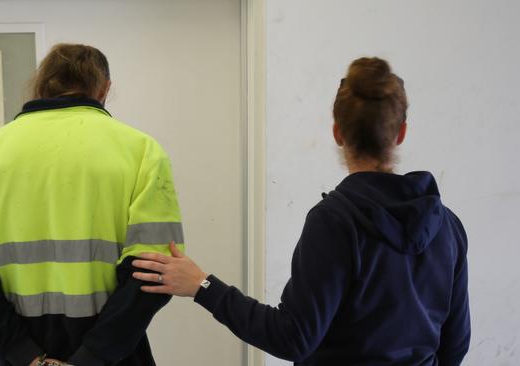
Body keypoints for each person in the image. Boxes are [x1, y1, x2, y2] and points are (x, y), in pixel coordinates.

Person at [133, 57, 470, 365]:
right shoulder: (448, 226)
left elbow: (293, 337)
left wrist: (202, 286)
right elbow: (454, 345)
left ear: (337, 132)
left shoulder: (335, 221)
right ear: (401, 133)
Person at [0, 43, 184, 366]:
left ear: (43, 84)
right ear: (104, 89)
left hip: (9, 357)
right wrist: (90, 357)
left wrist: (27, 356)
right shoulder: (142, 152)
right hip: (112, 358)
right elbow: (155, 274)